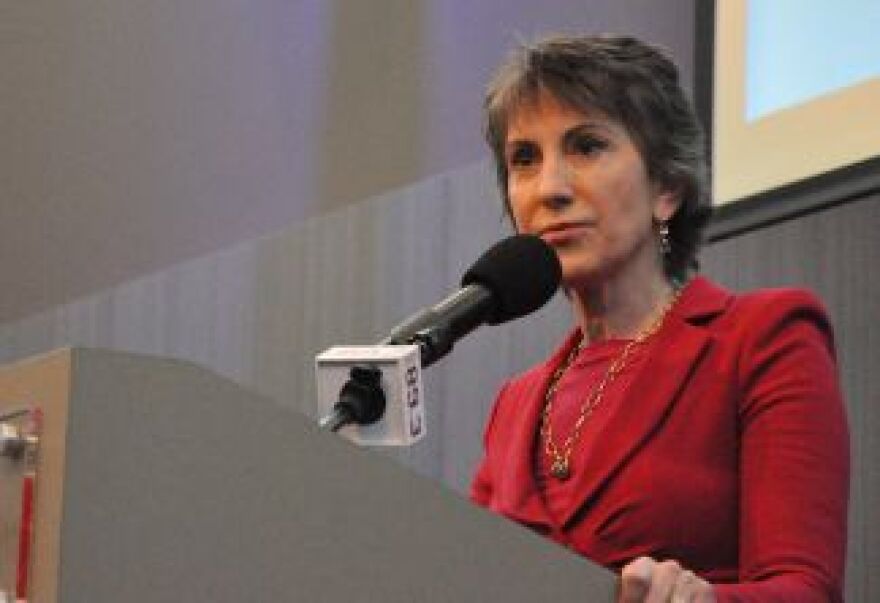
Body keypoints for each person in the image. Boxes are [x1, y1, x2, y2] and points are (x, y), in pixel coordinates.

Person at [470, 34, 849, 602]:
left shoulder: (763, 339)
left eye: (587, 147)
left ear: (666, 188)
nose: (550, 188)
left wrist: (706, 600)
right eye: (525, 159)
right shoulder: (513, 406)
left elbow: (806, 590)